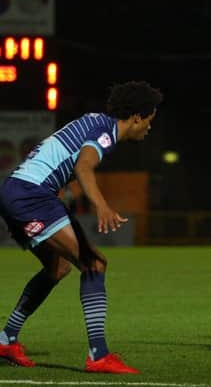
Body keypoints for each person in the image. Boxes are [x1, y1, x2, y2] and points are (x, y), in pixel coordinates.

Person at [0, 81, 162, 373]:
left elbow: (60, 158)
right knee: (94, 263)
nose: (149, 128)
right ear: (137, 117)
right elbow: (83, 167)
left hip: (20, 191)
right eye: (149, 120)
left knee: (58, 268)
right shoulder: (105, 132)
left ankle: (6, 338)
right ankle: (98, 355)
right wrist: (102, 205)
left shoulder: (94, 122)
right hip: (30, 195)